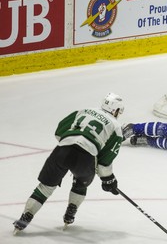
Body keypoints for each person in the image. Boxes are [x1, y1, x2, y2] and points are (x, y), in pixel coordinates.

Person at [13, 92, 125, 234]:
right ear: (115, 110)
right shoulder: (116, 127)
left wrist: (70, 145)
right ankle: (71, 211)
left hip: (62, 151)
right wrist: (108, 180)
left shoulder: (84, 110)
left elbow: (60, 130)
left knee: (45, 187)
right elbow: (104, 163)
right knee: (81, 183)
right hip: (86, 157)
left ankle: (26, 216)